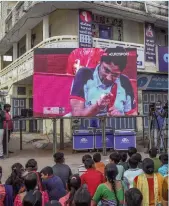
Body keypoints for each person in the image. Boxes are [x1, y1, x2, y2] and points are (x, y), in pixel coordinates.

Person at [70, 47, 136, 117]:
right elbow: (76, 115)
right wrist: (97, 106)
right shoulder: (84, 74)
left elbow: (132, 115)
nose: (108, 78)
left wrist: (120, 117)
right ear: (100, 62)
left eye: (115, 75)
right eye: (106, 70)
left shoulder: (125, 81)